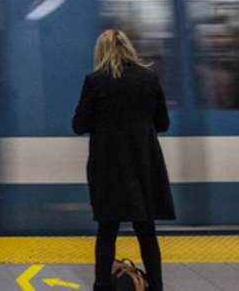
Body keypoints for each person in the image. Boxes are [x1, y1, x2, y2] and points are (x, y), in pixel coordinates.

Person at [73, 29, 175, 291]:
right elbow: (163, 123)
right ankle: (157, 286)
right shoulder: (150, 78)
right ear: (129, 49)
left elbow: (79, 125)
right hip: (144, 163)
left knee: (107, 231)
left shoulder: (95, 80)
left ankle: (101, 287)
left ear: (101, 52)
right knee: (146, 231)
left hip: (108, 166)